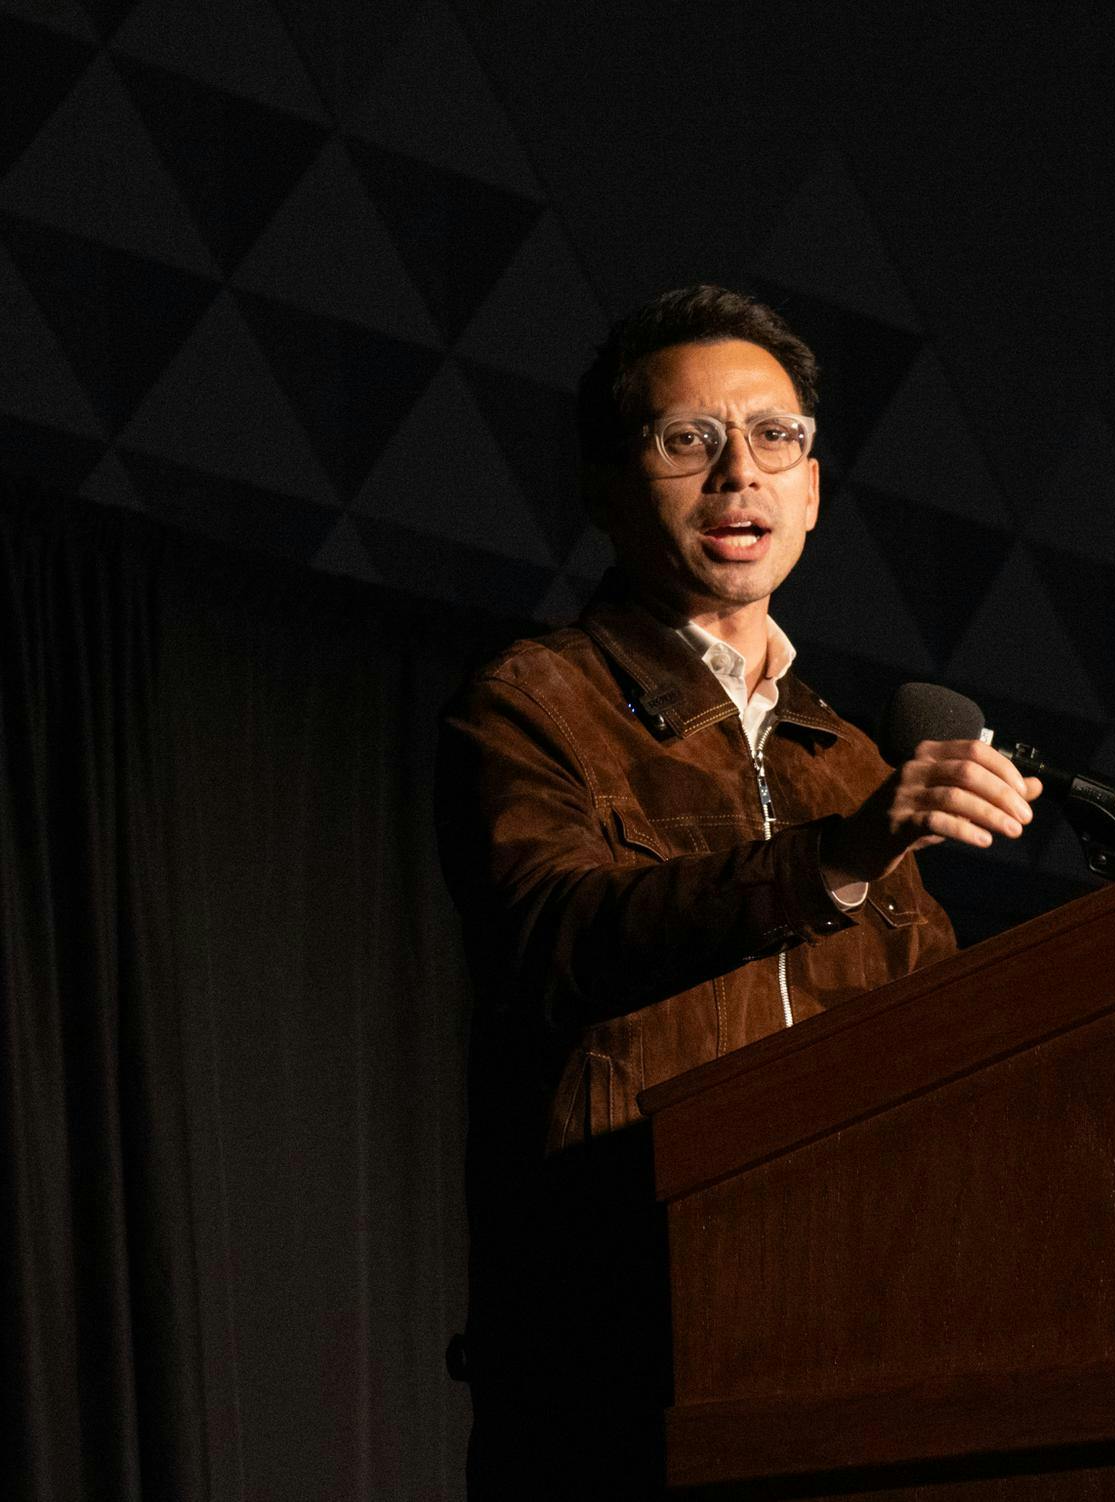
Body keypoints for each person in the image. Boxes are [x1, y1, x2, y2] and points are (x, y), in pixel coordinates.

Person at [434, 285, 1041, 1496]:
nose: (736, 477)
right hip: (614, 1347)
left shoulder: (859, 760)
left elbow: (942, 1046)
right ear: (610, 486)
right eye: (685, 441)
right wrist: (833, 860)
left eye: (775, 439)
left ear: (813, 490)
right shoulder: (535, 700)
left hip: (852, 1341)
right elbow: (559, 931)